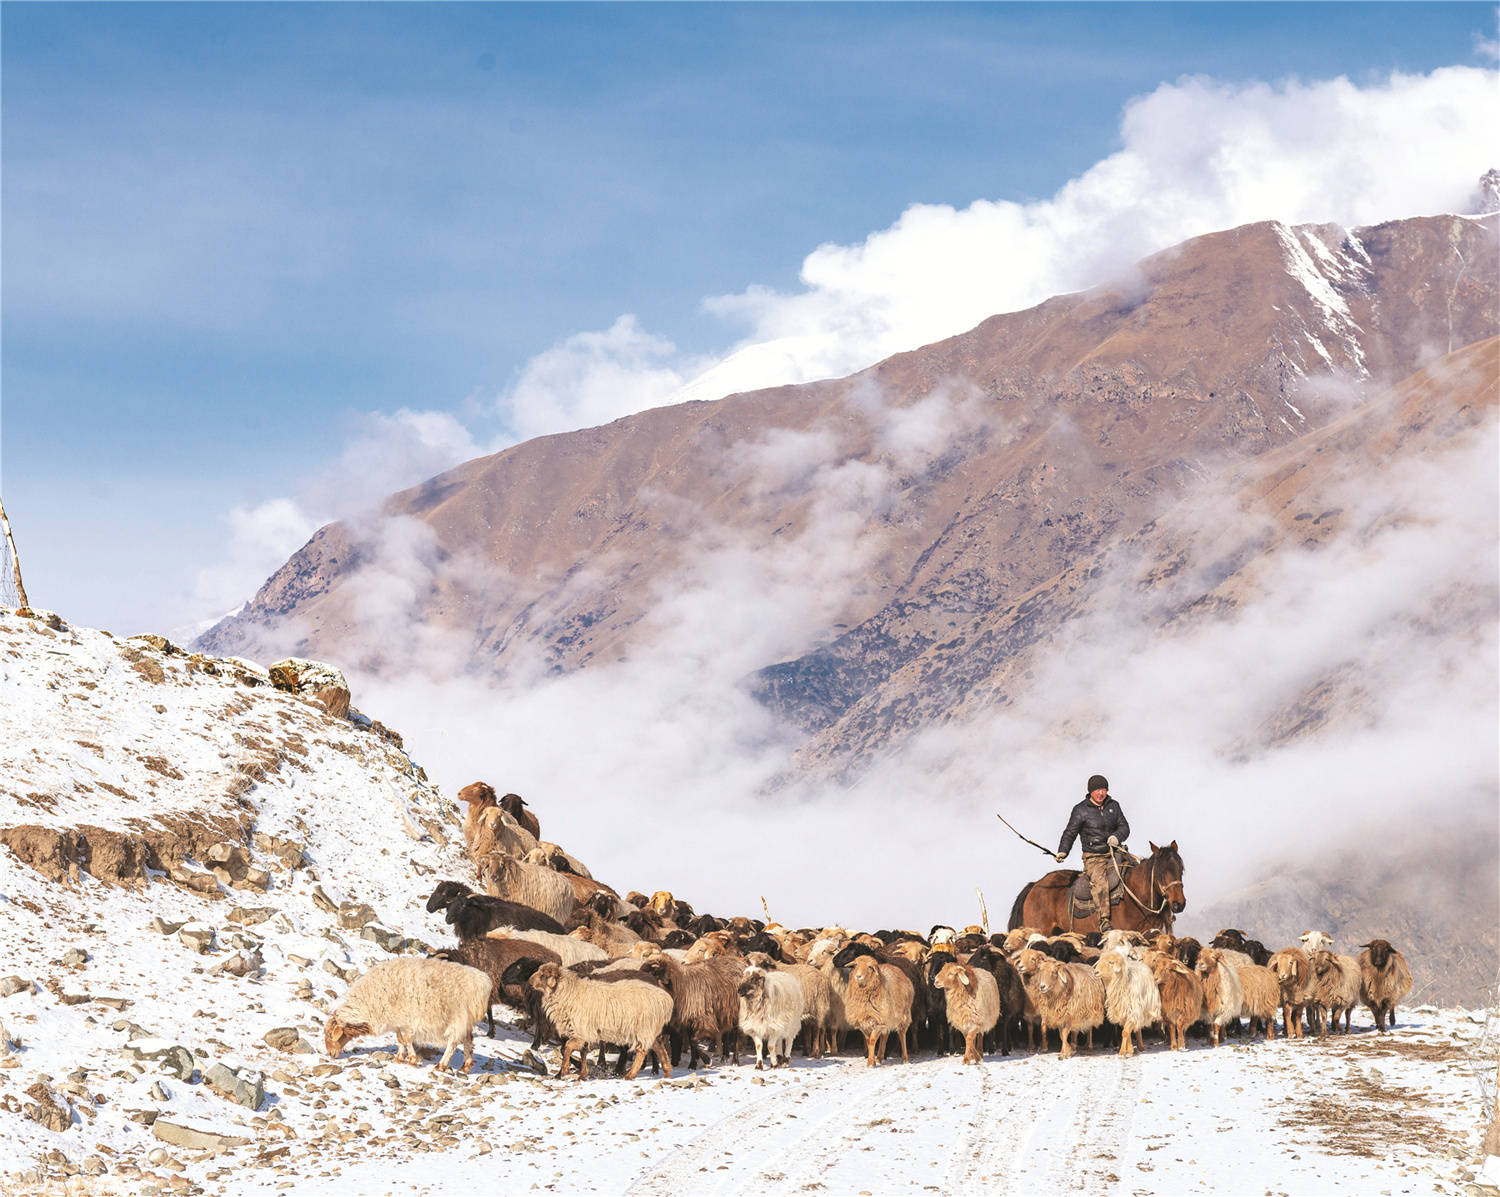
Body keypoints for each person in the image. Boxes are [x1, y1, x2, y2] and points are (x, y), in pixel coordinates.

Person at [1054, 774, 1130, 933]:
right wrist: (1063, 851)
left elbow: (1124, 827)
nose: (1101, 793)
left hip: (1116, 851)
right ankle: (1103, 920)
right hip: (1094, 857)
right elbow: (1070, 832)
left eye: (1103, 789)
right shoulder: (1080, 810)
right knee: (1100, 883)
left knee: (1136, 871)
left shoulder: (1113, 806)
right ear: (1090, 792)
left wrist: (1117, 837)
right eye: (1097, 790)